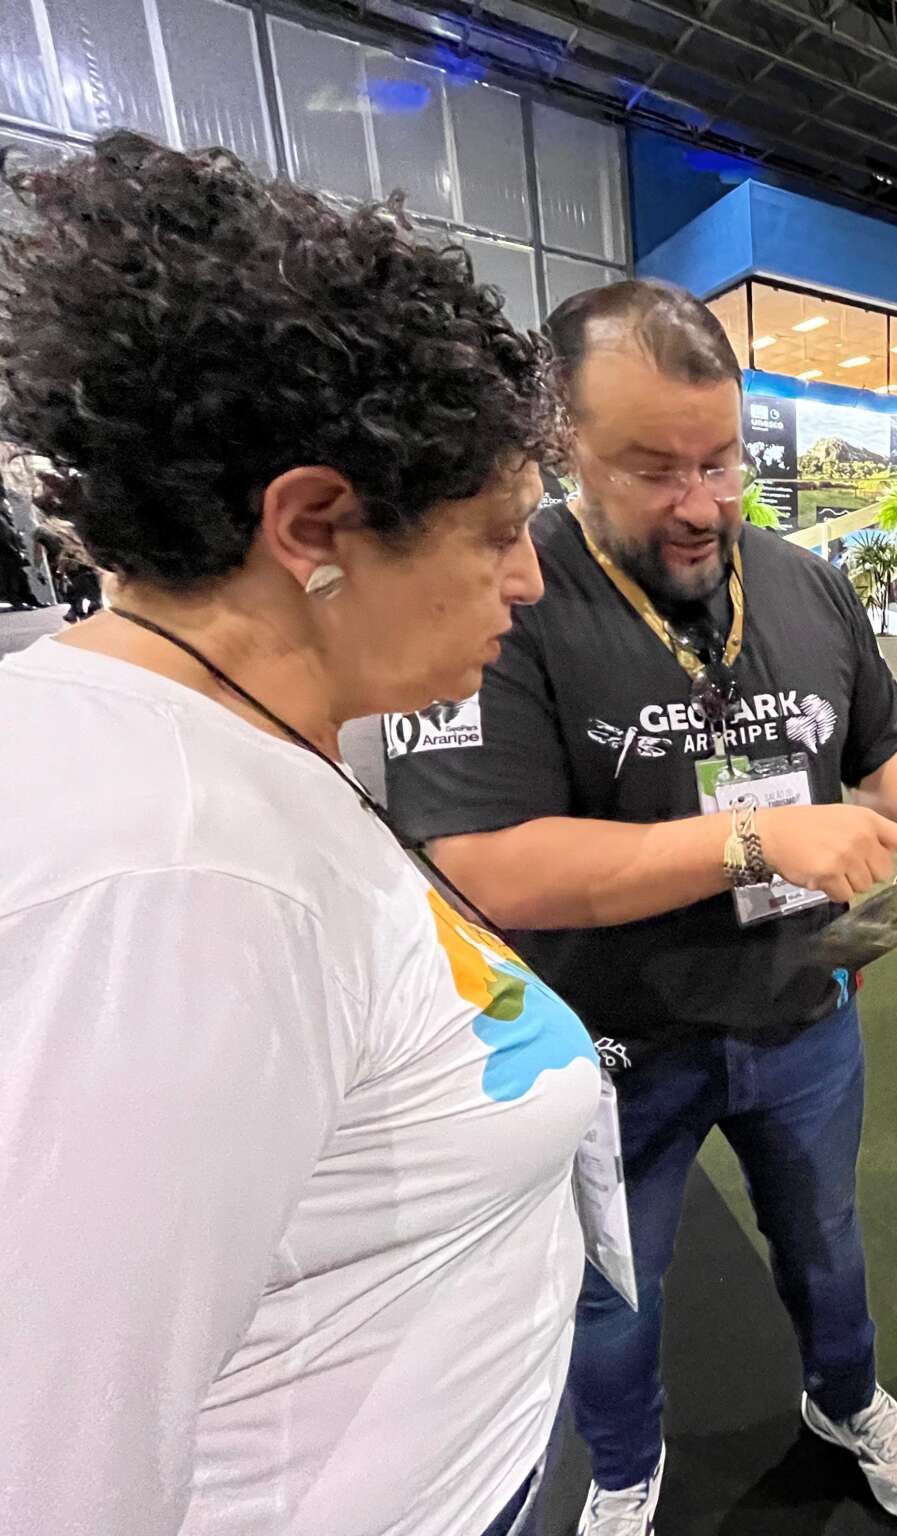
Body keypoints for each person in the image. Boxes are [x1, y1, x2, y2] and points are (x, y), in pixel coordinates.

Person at [0, 132, 597, 1535]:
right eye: (497, 532)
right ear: (313, 523)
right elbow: (59, 1466)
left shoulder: (215, 752)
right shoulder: (181, 875)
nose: (527, 580)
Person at [385, 279, 897, 1531]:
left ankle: (845, 1395)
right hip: (606, 1041)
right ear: (563, 449)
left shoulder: (805, 584)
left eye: (721, 461)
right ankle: (620, 1466)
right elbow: (488, 862)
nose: (702, 503)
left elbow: (876, 741)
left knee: (824, 1241)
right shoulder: (514, 594)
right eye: (654, 469)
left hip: (801, 1010)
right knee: (615, 1293)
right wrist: (753, 837)